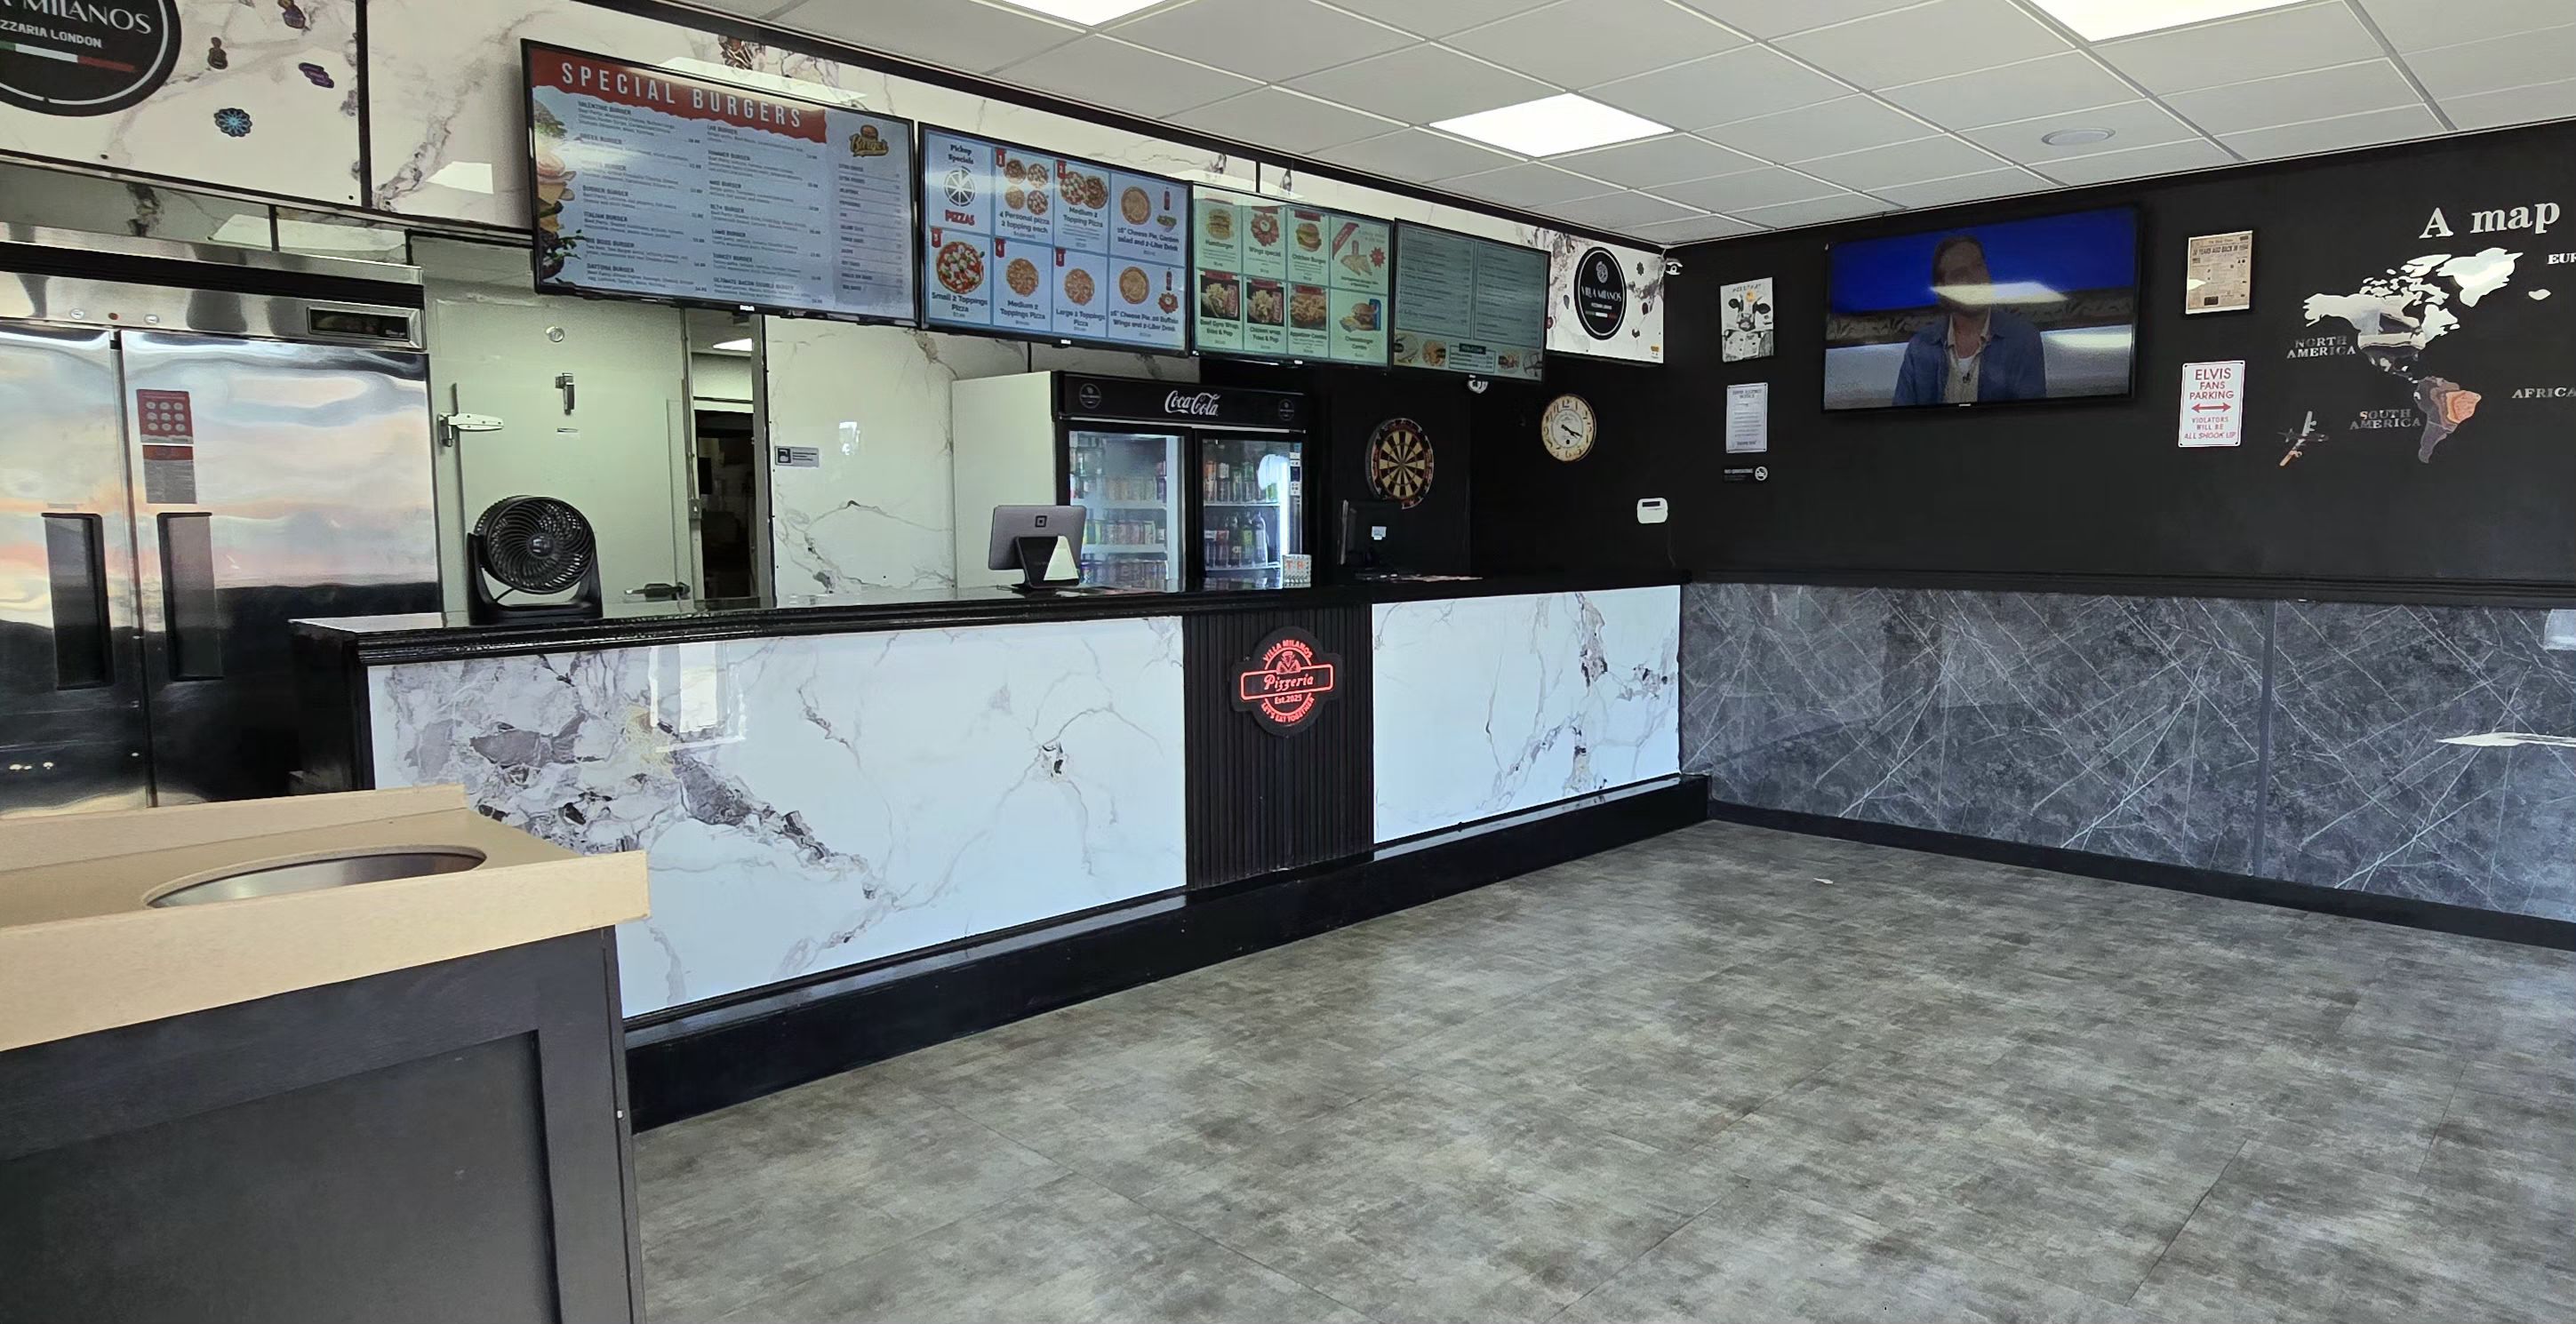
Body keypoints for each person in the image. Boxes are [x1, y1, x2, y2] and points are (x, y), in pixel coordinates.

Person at [1892, 234, 2048, 406]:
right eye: (1960, 274)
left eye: (1978, 266)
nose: (1975, 279)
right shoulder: (1921, 346)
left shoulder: (2023, 338)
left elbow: (2030, 416)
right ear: (1943, 289)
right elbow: (1900, 416)